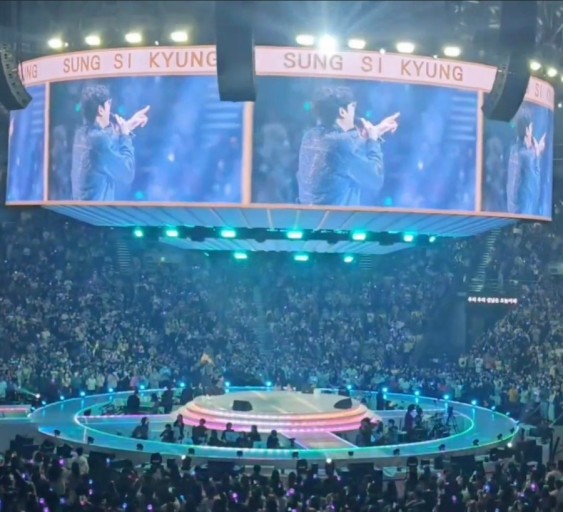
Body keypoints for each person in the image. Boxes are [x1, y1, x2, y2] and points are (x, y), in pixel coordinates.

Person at [297, 86, 399, 206]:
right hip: (337, 217)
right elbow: (375, 179)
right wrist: (373, 141)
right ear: (342, 112)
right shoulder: (341, 145)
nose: (355, 114)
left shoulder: (310, 136)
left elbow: (344, 151)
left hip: (309, 216)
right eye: (353, 107)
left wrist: (376, 131)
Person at [71, 84, 150, 201]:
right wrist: (125, 136)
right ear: (100, 110)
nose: (110, 108)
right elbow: (127, 172)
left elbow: (106, 142)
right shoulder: (99, 142)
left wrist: (128, 125)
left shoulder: (81, 134)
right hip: (97, 211)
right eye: (109, 103)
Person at [506, 108, 546, 215]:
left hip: (529, 210)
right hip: (523, 211)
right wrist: (536, 153)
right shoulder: (520, 153)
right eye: (531, 127)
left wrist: (537, 153)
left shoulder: (526, 151)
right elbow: (513, 186)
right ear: (528, 129)